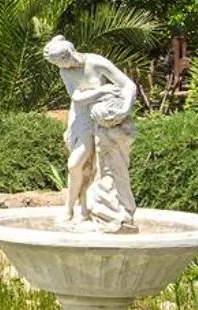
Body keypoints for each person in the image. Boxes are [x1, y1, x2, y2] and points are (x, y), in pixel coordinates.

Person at [44, 36, 138, 232]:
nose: (61, 67)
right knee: (78, 164)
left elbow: (128, 85)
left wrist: (124, 108)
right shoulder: (65, 71)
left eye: (61, 62)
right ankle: (72, 210)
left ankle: (89, 210)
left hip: (103, 118)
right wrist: (103, 91)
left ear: (69, 54)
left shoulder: (96, 62)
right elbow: (77, 97)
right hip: (81, 119)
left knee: (88, 166)